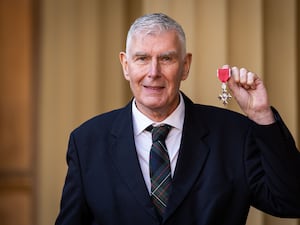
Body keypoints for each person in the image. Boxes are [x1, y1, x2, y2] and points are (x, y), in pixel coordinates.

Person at [55, 13, 300, 225]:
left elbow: (290, 201)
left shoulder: (235, 135)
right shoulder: (86, 142)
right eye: (142, 58)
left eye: (166, 59)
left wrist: (262, 116)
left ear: (185, 66)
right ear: (125, 65)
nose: (153, 72)